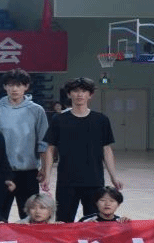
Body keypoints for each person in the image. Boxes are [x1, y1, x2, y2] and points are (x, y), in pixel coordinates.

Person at [41, 77, 123, 223]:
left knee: (93, 223)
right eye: (75, 91)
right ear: (69, 94)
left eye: (84, 91)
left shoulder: (101, 120)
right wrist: (47, 175)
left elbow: (106, 149)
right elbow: (50, 149)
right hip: (67, 181)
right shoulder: (59, 120)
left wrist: (114, 177)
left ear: (90, 95)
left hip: (94, 181)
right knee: (63, 222)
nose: (79, 94)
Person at [0, 68, 49, 221]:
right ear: (5, 87)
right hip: (2, 172)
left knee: (30, 217)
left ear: (26, 87)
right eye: (10, 85)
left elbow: (43, 143)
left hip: (28, 172)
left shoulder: (37, 110)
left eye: (19, 85)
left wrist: (44, 168)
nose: (14, 89)